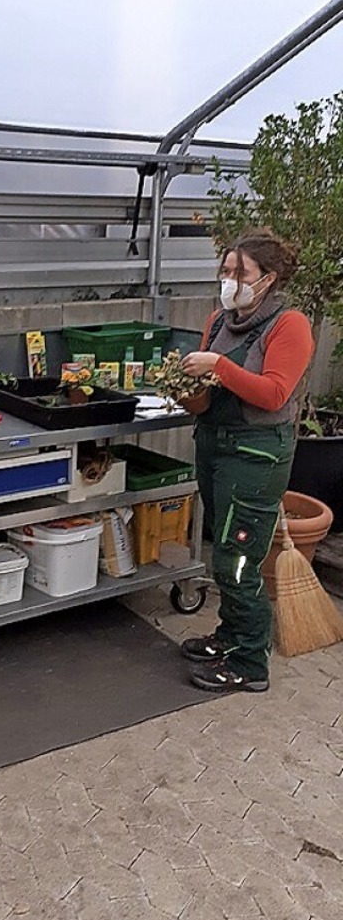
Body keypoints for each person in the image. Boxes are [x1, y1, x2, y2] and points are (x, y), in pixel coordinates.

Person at [179, 231, 313, 694]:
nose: (230, 279)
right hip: (215, 445)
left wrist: (218, 365)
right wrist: (184, 391)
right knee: (222, 549)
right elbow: (207, 397)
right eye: (227, 270)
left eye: (241, 272)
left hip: (256, 453)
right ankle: (230, 637)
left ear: (268, 279)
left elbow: (275, 392)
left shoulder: (289, 326)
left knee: (239, 559)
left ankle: (251, 663)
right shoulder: (218, 321)